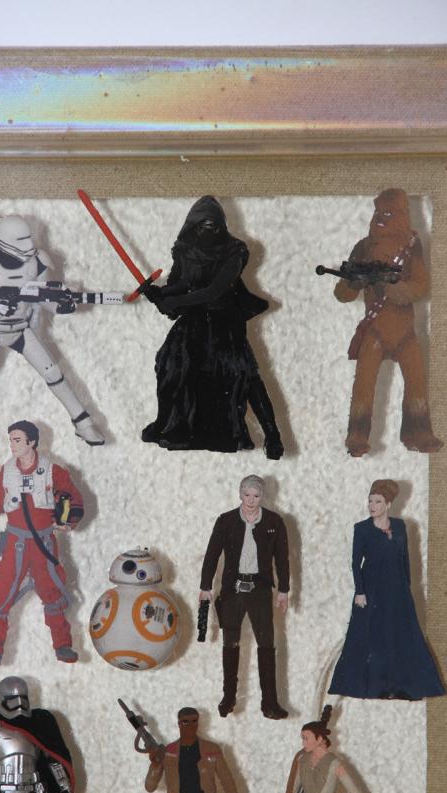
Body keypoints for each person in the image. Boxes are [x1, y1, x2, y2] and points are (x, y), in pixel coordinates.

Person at [0, 214, 103, 446]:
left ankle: (84, 424)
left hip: (20, 329)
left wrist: (64, 306)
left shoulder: (37, 262)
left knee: (54, 375)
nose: (28, 246)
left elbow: (44, 298)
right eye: (21, 240)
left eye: (28, 238)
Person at [142, 195, 284, 458]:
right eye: (203, 225)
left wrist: (174, 299)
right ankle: (167, 423)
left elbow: (215, 290)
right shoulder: (185, 249)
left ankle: (272, 435)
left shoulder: (234, 251)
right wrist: (158, 294)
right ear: (193, 225)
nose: (209, 230)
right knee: (170, 365)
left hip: (224, 321)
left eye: (214, 225)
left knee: (243, 373)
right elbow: (180, 283)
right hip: (194, 321)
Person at [0, 420, 84, 666]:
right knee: (1, 592)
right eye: (11, 440)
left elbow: (74, 499)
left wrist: (69, 521)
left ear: (32, 442)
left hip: (43, 545)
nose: (12, 445)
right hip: (15, 545)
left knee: (52, 593)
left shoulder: (53, 471)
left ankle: (63, 645)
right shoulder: (7, 472)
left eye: (17, 440)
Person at [333, 188, 443, 457]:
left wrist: (394, 288)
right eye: (378, 212)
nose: (381, 218)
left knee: (416, 382)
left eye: (389, 213)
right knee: (363, 385)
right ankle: (357, 435)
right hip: (375, 331)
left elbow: (421, 285)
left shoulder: (411, 247)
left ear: (402, 216)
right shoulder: (363, 247)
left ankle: (418, 432)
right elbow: (342, 294)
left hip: (405, 331)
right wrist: (353, 283)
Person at [328, 479, 446, 700]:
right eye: (370, 501)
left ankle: (402, 687)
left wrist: (406, 589)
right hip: (371, 590)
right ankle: (375, 686)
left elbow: (405, 558)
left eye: (378, 502)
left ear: (389, 504)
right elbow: (355, 563)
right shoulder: (361, 529)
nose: (372, 506)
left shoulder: (400, 526)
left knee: (399, 635)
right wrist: (360, 591)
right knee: (372, 636)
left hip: (397, 589)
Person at [199, 475, 289, 719]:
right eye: (247, 495)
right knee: (230, 643)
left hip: (260, 589)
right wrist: (205, 586)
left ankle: (270, 702)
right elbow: (212, 554)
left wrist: (284, 589)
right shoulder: (226, 520)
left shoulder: (274, 521)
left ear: (263, 496)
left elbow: (282, 558)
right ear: (240, 494)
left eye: (256, 495)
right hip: (233, 589)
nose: (251, 500)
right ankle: (228, 697)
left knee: (266, 643)